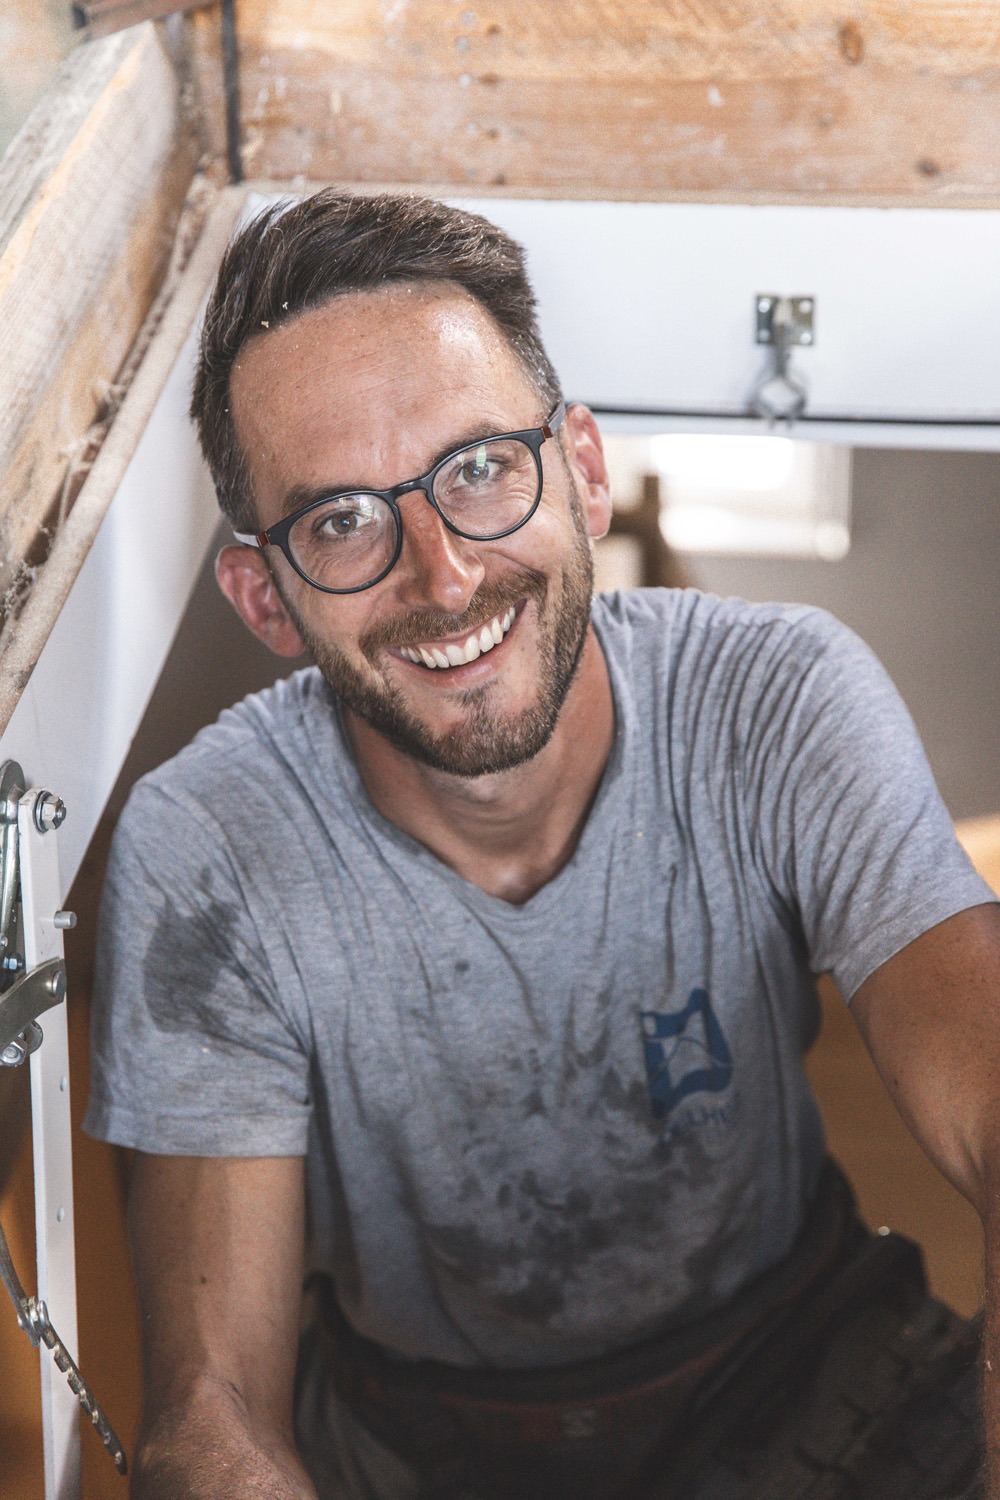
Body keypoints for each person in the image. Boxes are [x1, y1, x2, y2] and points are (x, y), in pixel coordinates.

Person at [85, 191, 1000, 1500]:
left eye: (478, 469)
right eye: (342, 522)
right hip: (413, 1447)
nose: (445, 576)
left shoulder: (777, 699)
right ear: (265, 602)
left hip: (805, 1366)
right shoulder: (207, 848)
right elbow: (210, 1410)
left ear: (581, 469)